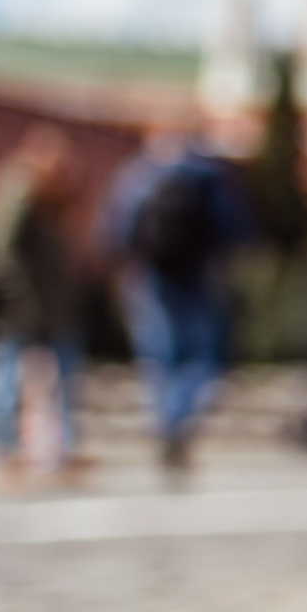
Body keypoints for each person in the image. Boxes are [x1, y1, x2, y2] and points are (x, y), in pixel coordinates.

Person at [98, 134, 255, 478]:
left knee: (159, 358)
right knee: (202, 358)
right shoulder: (210, 175)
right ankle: (178, 418)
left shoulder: (137, 173)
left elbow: (114, 229)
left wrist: (122, 264)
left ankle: (166, 419)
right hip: (197, 276)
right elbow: (235, 228)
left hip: (147, 275)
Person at [0, 124, 87, 486]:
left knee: (66, 374)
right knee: (5, 378)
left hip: (51, 306)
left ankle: (62, 452)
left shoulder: (52, 192)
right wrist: (18, 294)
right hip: (18, 304)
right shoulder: (18, 185)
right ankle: (2, 452)